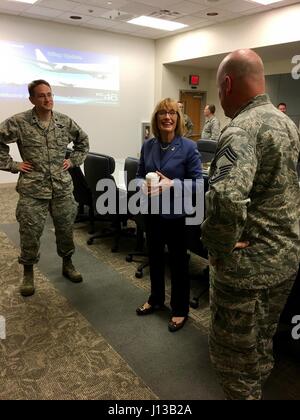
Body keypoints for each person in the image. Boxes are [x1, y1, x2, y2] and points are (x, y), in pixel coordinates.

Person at [201, 49, 300, 400]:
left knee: (234, 362)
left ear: (227, 84)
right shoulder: (286, 123)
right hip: (284, 260)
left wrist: (217, 248)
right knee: (260, 344)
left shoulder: (241, 128)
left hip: (248, 270)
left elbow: (226, 200)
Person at [0, 79, 89, 297]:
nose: (47, 99)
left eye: (49, 94)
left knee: (66, 229)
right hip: (33, 189)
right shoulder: (19, 122)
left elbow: (83, 142)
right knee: (30, 232)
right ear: (32, 99)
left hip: (61, 188)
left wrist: (74, 161)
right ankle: (28, 272)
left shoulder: (64, 121)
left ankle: (67, 264)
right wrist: (13, 165)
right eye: (41, 95)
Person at [136, 98, 202, 332]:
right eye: (163, 113)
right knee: (154, 257)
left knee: (178, 263)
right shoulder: (148, 145)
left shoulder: (188, 147)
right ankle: (156, 299)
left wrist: (172, 184)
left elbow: (198, 183)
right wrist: (142, 185)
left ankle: (180, 309)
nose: (167, 117)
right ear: (156, 118)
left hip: (177, 216)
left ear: (178, 118)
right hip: (153, 212)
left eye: (172, 113)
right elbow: (138, 174)